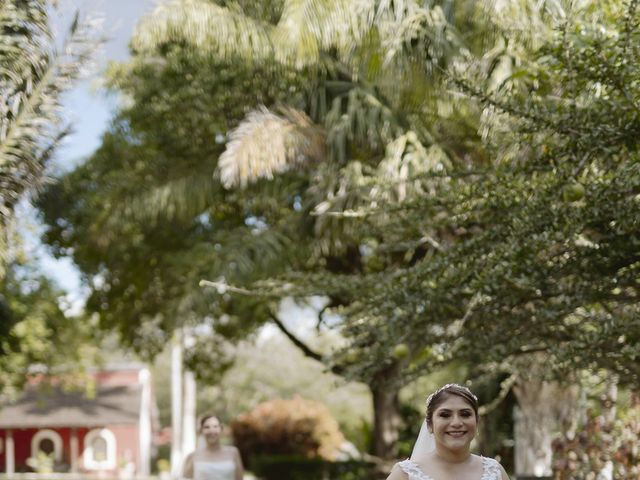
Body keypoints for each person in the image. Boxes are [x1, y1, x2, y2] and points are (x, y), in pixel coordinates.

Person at [387, 384, 510, 480]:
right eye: (445, 415)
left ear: (476, 422)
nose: (456, 423)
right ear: (430, 425)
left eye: (465, 414)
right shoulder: (405, 475)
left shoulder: (495, 472)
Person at [183, 414, 244, 480]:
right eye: (207, 427)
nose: (212, 430)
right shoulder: (192, 456)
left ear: (221, 429)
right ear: (201, 431)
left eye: (215, 426)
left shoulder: (233, 453)